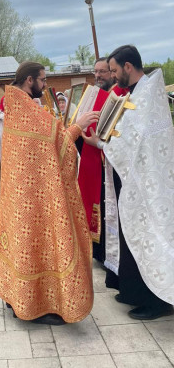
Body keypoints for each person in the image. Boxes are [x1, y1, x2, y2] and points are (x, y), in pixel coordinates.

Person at [0, 61, 99, 325]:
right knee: (35, 245)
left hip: (20, 195)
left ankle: (14, 296)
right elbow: (60, 146)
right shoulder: (28, 110)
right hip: (34, 198)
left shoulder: (17, 106)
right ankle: (35, 306)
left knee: (23, 245)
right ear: (29, 80)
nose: (44, 85)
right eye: (42, 80)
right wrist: (78, 125)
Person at [84, 45, 174, 320]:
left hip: (147, 184)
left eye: (113, 69)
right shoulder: (135, 93)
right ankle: (134, 291)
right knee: (130, 234)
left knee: (147, 236)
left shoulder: (146, 96)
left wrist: (98, 142)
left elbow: (133, 142)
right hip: (132, 178)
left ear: (128, 67)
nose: (112, 75)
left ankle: (157, 301)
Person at [77, 58, 127, 261]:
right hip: (95, 160)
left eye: (103, 72)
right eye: (95, 72)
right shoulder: (99, 96)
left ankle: (109, 254)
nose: (98, 76)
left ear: (112, 73)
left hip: (111, 161)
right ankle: (100, 252)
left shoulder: (118, 96)